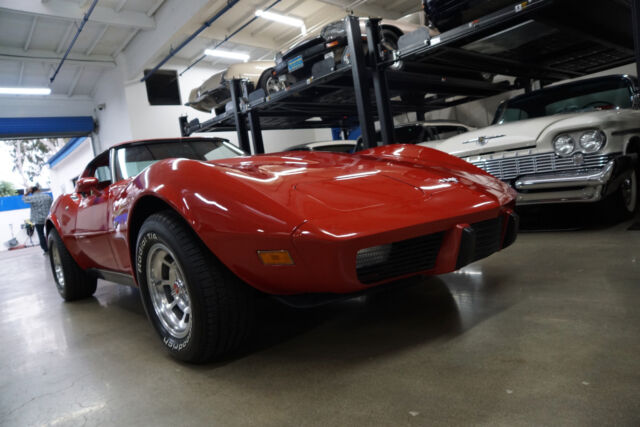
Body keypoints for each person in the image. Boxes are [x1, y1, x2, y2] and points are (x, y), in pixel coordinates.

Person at [22, 185, 53, 254]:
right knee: (51, 233)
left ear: (32, 191)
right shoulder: (47, 196)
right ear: (38, 189)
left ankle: (46, 250)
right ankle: (53, 248)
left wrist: (27, 192)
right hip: (48, 218)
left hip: (38, 220)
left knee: (41, 234)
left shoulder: (32, 197)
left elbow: (24, 199)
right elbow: (52, 204)